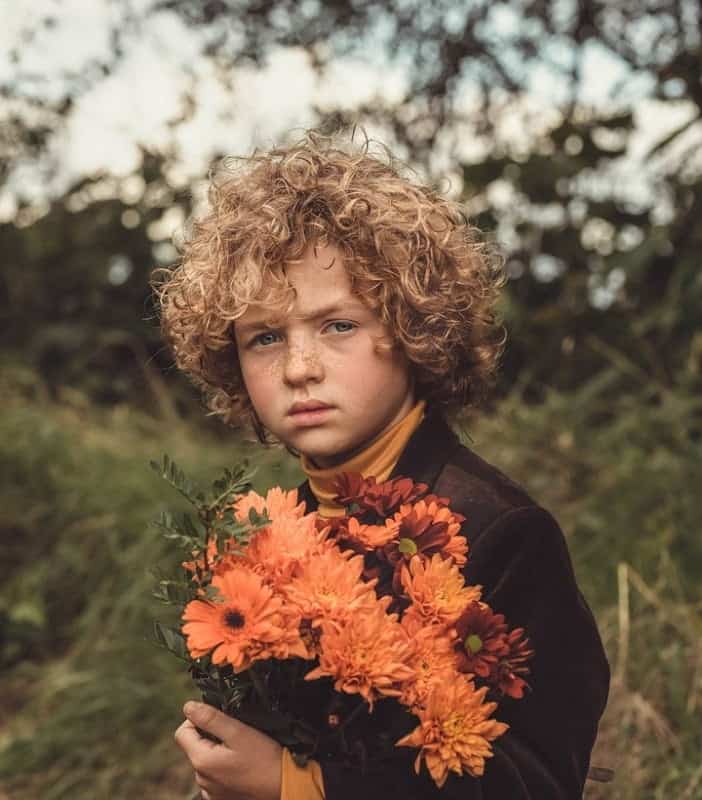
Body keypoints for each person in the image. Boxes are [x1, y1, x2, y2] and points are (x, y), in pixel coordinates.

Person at [154, 128, 610, 800]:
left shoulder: (503, 534)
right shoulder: (271, 532)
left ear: (414, 329)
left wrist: (299, 788)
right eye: (265, 337)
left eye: (338, 325)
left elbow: (537, 780)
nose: (300, 368)